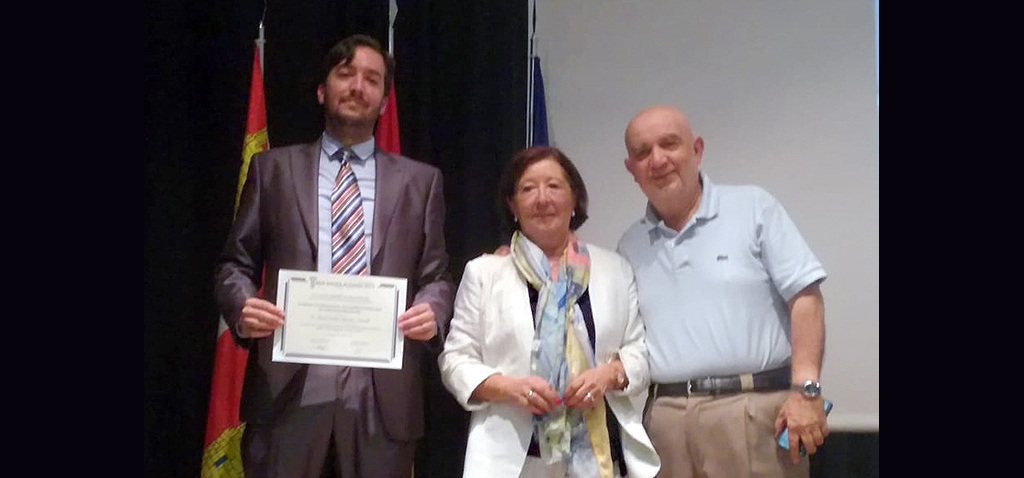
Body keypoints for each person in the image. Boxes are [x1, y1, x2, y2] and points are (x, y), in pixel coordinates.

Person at [213, 34, 455, 478]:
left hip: (382, 388)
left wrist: (432, 310)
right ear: (322, 90)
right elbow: (235, 264)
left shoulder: (421, 182)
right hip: (289, 380)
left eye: (372, 79)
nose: (358, 87)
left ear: (384, 101)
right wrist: (243, 305)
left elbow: (436, 276)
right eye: (346, 74)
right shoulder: (273, 169)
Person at [616, 104, 828, 478]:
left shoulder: (754, 208)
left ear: (697, 149)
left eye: (669, 144)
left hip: (752, 412)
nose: (658, 160)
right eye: (643, 152)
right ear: (631, 169)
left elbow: (805, 299)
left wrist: (806, 391)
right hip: (665, 421)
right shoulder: (629, 246)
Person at [439, 146, 660, 478]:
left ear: (574, 199)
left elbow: (639, 352)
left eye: (554, 186)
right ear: (513, 205)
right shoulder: (485, 272)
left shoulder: (615, 269)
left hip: (599, 454)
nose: (542, 199)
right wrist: (508, 388)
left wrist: (609, 374)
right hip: (513, 460)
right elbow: (455, 360)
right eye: (528, 189)